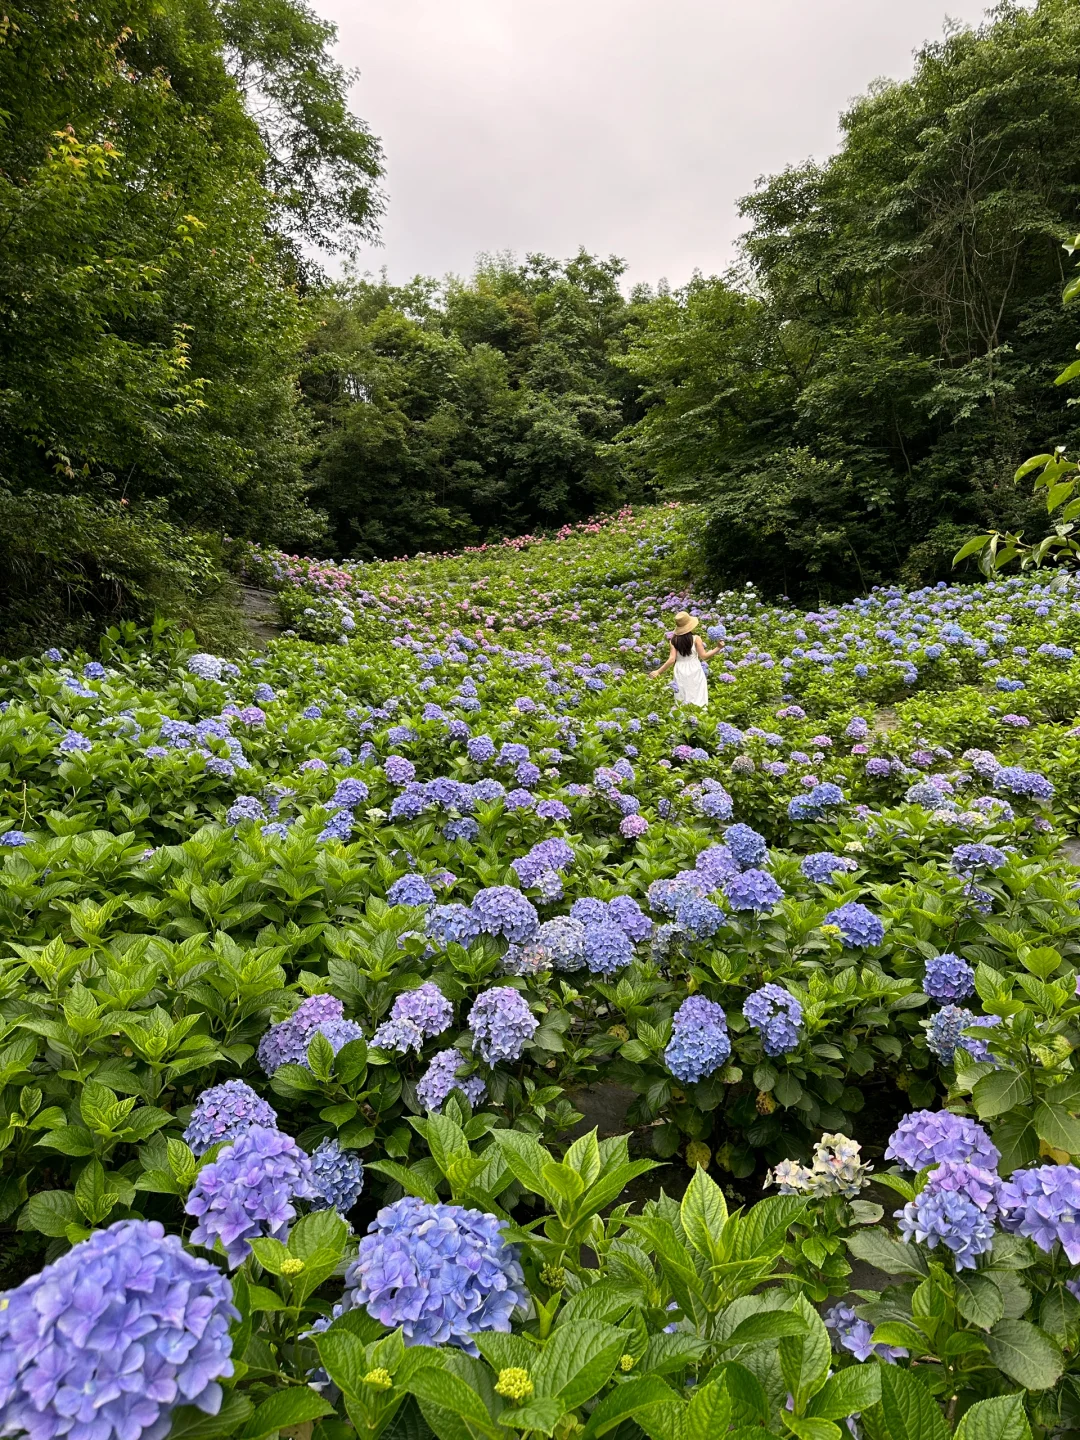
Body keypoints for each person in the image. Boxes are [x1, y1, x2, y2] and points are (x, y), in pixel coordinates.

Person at [649, 611, 722, 708]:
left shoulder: (673, 641)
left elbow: (671, 659)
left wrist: (658, 671)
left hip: (680, 669)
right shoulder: (696, 638)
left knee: (682, 696)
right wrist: (718, 648)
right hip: (694, 669)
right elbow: (704, 656)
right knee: (698, 696)